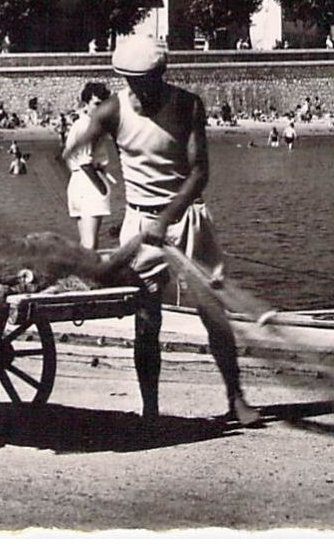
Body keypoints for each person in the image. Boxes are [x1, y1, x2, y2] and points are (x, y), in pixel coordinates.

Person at [65, 35, 259, 426]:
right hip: (140, 225)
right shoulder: (111, 111)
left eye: (146, 80)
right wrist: (86, 179)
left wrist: (167, 217)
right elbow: (70, 153)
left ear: (162, 73)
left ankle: (235, 399)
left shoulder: (187, 105)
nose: (139, 89)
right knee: (146, 319)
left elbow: (200, 172)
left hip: (187, 219)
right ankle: (150, 409)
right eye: (131, 80)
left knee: (214, 314)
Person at [63, 82, 120, 250]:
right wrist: (102, 188)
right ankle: (92, 276)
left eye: (103, 104)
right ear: (85, 105)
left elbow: (66, 156)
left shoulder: (78, 125)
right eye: (96, 103)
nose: (100, 107)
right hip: (90, 183)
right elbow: (85, 162)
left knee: (85, 244)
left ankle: (83, 275)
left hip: (77, 182)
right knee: (90, 244)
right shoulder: (88, 126)